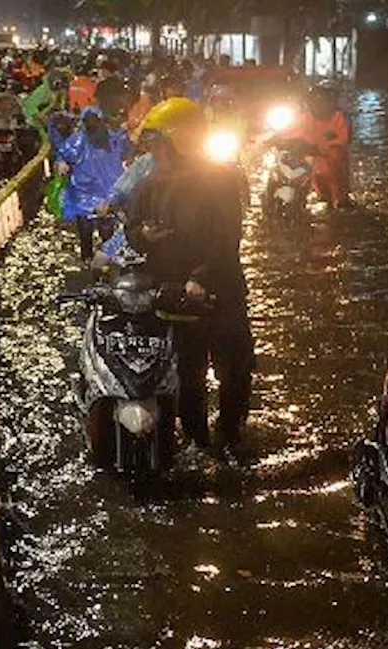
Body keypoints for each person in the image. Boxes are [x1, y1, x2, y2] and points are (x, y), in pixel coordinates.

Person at [123, 98, 254, 454]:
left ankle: (230, 432)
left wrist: (202, 277)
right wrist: (143, 236)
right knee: (187, 373)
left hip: (220, 291)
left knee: (234, 369)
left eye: (158, 143)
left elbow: (228, 236)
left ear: (179, 140)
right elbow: (131, 225)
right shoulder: (151, 182)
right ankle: (196, 438)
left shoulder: (221, 178)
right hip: (172, 292)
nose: (154, 150)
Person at [57, 107, 130, 263]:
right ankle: (89, 262)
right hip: (83, 194)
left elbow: (127, 150)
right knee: (85, 232)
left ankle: (106, 264)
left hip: (106, 194)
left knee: (107, 233)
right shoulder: (77, 142)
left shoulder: (113, 139)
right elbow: (62, 155)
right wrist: (62, 163)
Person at [289, 85, 350, 209]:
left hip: (333, 165)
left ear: (330, 102)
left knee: (339, 201)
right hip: (312, 164)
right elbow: (288, 132)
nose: (318, 103)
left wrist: (324, 148)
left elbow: (343, 138)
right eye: (315, 99)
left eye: (322, 99)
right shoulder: (305, 118)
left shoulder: (338, 118)